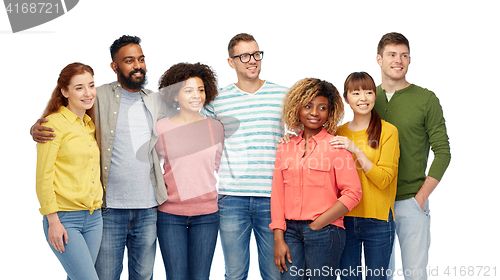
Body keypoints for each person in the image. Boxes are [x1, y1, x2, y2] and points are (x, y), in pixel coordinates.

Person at [31, 35, 168, 280]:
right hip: (107, 209)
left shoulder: (155, 100)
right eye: (128, 60)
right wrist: (35, 128)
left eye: (141, 59)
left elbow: (189, 112)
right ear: (115, 67)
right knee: (101, 275)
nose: (137, 65)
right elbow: (62, 118)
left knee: (143, 275)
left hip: (144, 207)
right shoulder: (99, 96)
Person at [200, 33, 287, 280]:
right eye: (245, 56)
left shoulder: (283, 95)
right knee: (235, 273)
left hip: (272, 197)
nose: (253, 60)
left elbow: (300, 135)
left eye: (256, 54)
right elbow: (206, 143)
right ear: (231, 62)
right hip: (231, 198)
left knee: (274, 273)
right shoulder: (217, 100)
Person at [374, 32, 451, 280]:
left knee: (415, 275)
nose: (399, 60)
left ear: (409, 59)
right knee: (380, 274)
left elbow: (443, 152)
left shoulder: (426, 99)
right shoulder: (367, 98)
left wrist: (422, 196)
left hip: (411, 201)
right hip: (375, 203)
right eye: (392, 55)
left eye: (404, 55)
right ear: (379, 59)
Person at [270, 78, 362, 280]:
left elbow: (353, 193)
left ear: (330, 112)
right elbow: (277, 194)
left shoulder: (336, 147)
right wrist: (278, 238)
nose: (314, 113)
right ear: (297, 108)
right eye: (308, 106)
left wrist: (319, 223)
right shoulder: (285, 147)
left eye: (322, 107)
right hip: (290, 232)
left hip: (325, 232)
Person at [155, 62, 224, 280]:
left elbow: (216, 166)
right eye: (189, 90)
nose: (197, 95)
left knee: (200, 277)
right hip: (169, 215)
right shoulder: (161, 127)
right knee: (175, 276)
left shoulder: (215, 127)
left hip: (207, 215)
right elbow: (152, 169)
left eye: (201, 90)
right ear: (175, 95)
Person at [330, 72, 400, 280]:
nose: (363, 98)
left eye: (369, 92)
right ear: (346, 99)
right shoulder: (337, 132)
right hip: (345, 219)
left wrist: (356, 150)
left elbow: (383, 179)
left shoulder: (388, 131)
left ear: (375, 96)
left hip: (378, 220)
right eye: (356, 93)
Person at [36, 62, 103, 280]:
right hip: (65, 219)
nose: (88, 93)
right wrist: (53, 220)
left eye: (91, 86)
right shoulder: (53, 124)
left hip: (94, 219)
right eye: (79, 87)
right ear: (64, 91)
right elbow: (43, 177)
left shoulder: (89, 124)